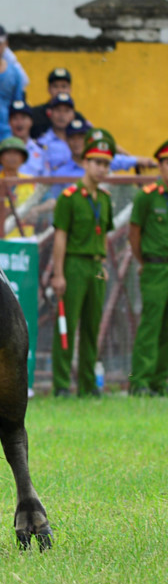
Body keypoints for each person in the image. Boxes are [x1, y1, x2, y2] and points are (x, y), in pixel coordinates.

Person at [49, 129, 118, 397]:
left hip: (97, 267)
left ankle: (89, 386)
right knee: (67, 325)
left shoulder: (105, 199)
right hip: (74, 265)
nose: (101, 169)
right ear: (85, 162)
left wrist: (104, 265)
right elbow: (60, 237)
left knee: (92, 327)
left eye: (106, 164)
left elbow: (106, 236)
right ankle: (62, 385)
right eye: (97, 162)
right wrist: (58, 274)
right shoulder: (69, 197)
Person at [128, 139, 168, 396]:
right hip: (155, 268)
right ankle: (140, 381)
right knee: (150, 326)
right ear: (160, 166)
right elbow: (135, 234)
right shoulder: (147, 196)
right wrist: (143, 261)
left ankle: (160, 380)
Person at [8, 100, 47, 177]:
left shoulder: (41, 151)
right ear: (9, 122)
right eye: (15, 118)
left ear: (31, 122)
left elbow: (46, 182)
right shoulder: (2, 151)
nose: (19, 122)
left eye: (23, 118)